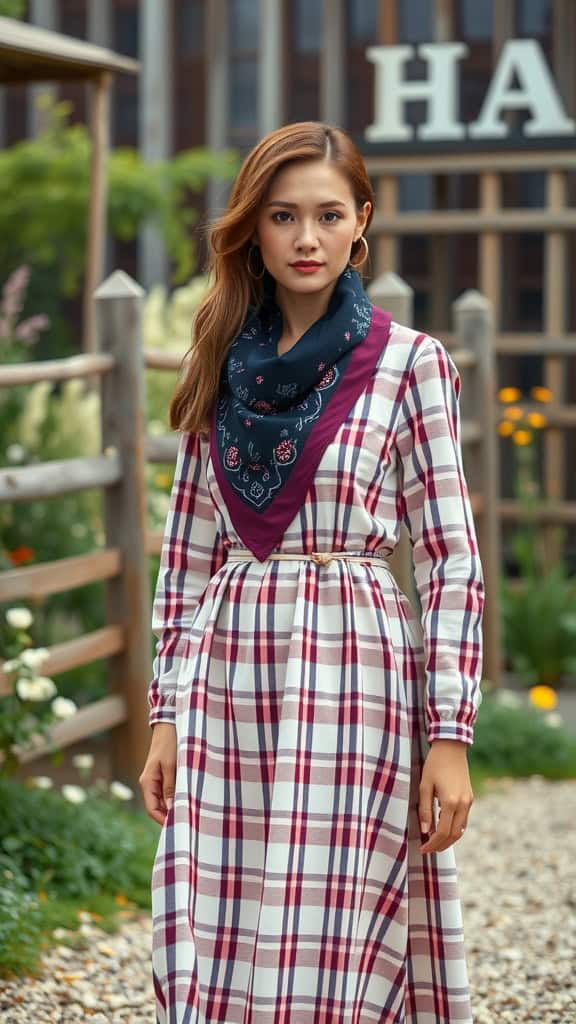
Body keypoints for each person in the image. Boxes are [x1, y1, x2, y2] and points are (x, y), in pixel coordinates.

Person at [139, 121, 484, 1024]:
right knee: (212, 907)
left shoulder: (410, 364)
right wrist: (166, 713)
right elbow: (185, 561)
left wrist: (448, 734)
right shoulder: (215, 362)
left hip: (356, 668)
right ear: (252, 228)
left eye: (328, 215)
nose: (305, 239)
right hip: (227, 672)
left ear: (361, 221)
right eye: (283, 216)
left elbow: (449, 560)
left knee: (341, 911)